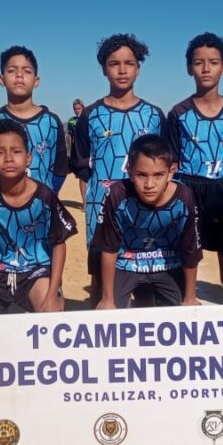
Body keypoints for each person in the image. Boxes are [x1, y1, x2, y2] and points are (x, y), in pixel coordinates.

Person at [70, 33, 164, 305]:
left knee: (146, 280)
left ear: (138, 67)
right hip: (103, 210)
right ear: (103, 68)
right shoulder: (90, 115)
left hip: (146, 210)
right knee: (101, 280)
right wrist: (98, 198)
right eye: (114, 63)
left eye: (129, 63)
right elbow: (81, 165)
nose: (122, 70)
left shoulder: (154, 115)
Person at [0, 120, 77, 315]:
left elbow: (59, 243)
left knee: (51, 313)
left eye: (16, 151)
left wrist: (52, 294)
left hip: (35, 270)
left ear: (28, 157)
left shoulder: (45, 196)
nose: (8, 158)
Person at [164, 31, 223, 303]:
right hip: (189, 190)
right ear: (189, 68)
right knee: (186, 262)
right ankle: (184, 314)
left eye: (213, 62)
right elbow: (171, 162)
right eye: (199, 62)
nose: (206, 68)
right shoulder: (178, 113)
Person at [92, 134, 201, 308]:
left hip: (168, 262)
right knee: (105, 313)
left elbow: (190, 250)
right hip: (126, 262)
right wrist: (107, 299)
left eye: (158, 175)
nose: (149, 184)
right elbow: (109, 248)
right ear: (129, 171)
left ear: (171, 172)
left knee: (183, 315)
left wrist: (189, 297)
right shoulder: (117, 195)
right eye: (142, 175)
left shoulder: (184, 197)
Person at [0, 46, 67, 192]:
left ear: (36, 81)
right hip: (3, 208)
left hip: (43, 208)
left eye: (27, 71)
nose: (19, 75)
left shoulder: (52, 122)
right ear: (1, 79)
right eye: (12, 70)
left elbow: (60, 170)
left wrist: (47, 197)